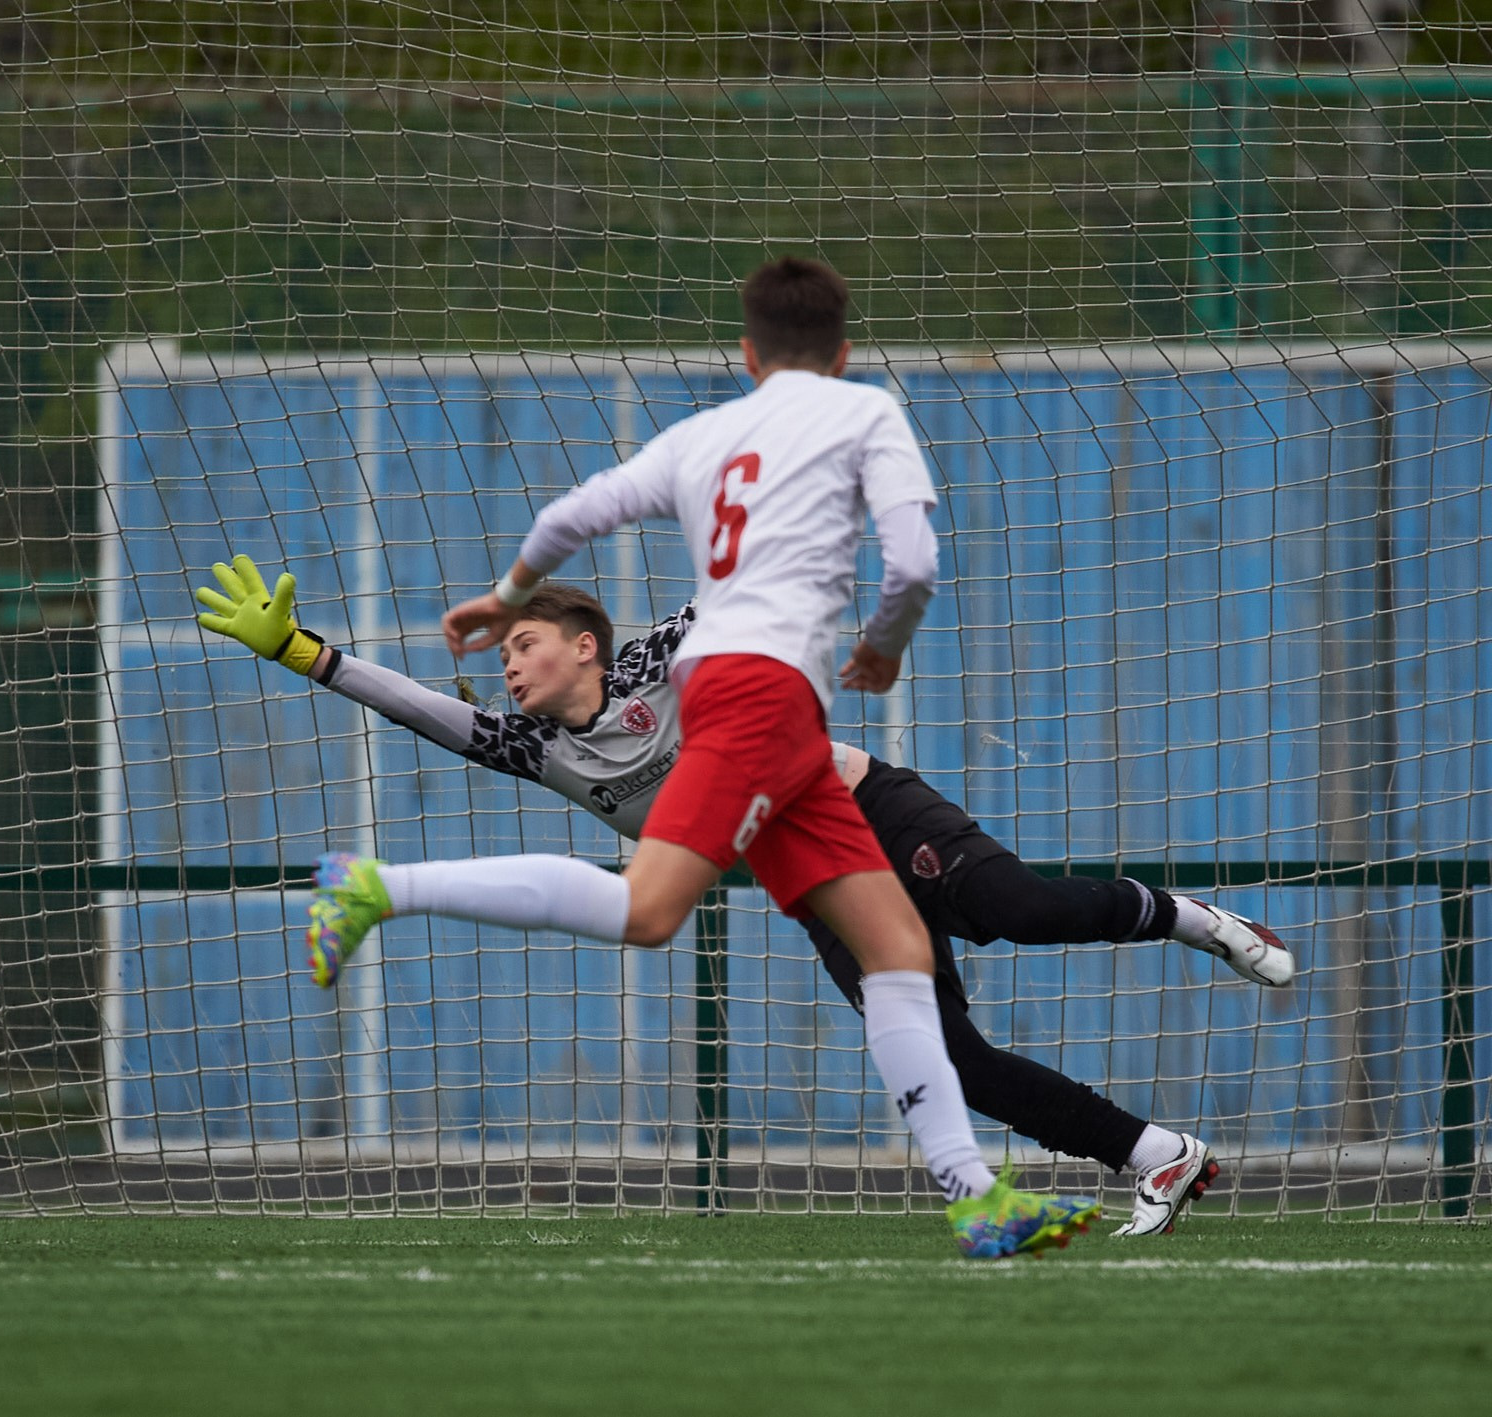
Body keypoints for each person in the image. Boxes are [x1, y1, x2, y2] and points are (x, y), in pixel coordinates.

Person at [257, 255, 1084, 1256]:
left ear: (746, 354)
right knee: (650, 911)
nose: (517, 658)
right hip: (761, 694)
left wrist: (508, 589)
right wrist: (885, 644)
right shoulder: (865, 416)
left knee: (898, 953)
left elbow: (573, 515)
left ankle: (974, 1197)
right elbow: (911, 562)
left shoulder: (704, 434)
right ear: (844, 352)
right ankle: (377, 885)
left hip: (755, 708)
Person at [197, 561, 1291, 1236]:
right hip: (813, 879)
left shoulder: (663, 662)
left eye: (524, 643)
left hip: (873, 811)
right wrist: (304, 652)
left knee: (1013, 905)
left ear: (587, 645)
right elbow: (426, 709)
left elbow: (739, 588)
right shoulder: (537, 747)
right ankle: (1153, 1154)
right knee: (951, 1058)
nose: (509, 666)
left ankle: (1196, 918)